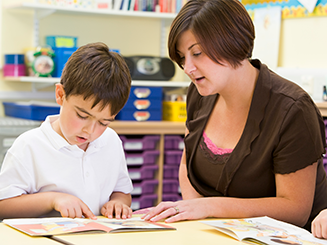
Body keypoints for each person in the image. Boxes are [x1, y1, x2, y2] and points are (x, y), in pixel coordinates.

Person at [142, 0, 327, 232]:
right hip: (215, 233)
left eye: (196, 53)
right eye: (182, 57)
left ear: (232, 41)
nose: (187, 67)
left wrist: (209, 208)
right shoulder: (200, 93)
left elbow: (295, 210)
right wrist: (197, 215)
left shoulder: (292, 109)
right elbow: (185, 165)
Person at [0, 42, 133, 220]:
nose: (90, 131)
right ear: (60, 95)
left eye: (104, 122)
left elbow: (122, 192)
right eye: (82, 116)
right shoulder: (29, 146)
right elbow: (4, 206)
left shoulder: (110, 141)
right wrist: (53, 199)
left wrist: (118, 203)